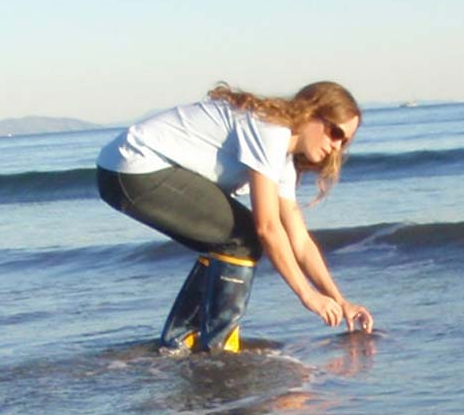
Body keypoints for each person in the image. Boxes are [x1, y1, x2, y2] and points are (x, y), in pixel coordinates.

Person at [95, 81, 373, 353]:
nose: (337, 147)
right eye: (335, 133)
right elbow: (267, 228)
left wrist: (339, 300)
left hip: (123, 173)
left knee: (225, 240)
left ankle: (180, 343)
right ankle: (221, 351)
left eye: (345, 141)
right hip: (134, 168)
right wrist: (307, 295)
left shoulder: (282, 160)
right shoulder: (271, 131)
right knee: (244, 238)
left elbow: (299, 240)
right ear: (312, 113)